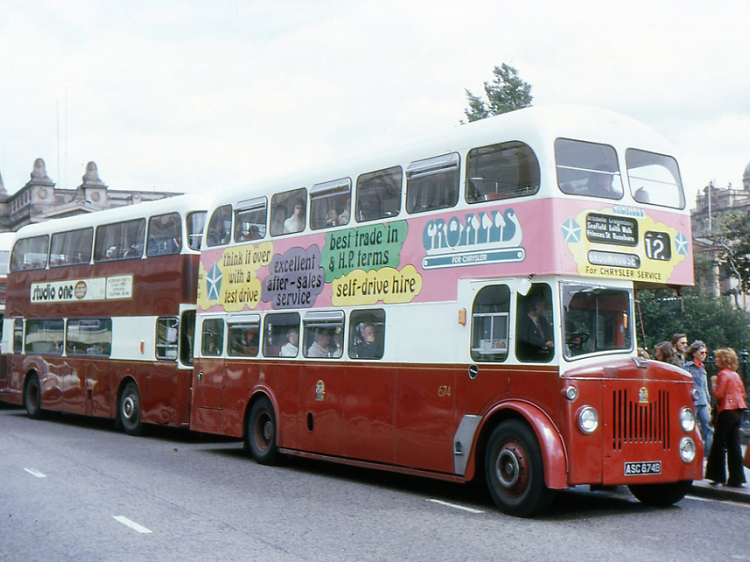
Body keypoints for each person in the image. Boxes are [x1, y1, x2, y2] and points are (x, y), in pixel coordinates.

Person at [705, 348, 747, 488]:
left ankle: (717, 476)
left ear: (723, 360)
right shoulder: (735, 375)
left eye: (718, 358)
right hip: (738, 411)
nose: (716, 360)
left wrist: (713, 383)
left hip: (726, 411)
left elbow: (719, 394)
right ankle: (736, 478)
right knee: (734, 444)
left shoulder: (722, 374)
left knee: (719, 443)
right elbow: (743, 394)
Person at [683, 341, 713, 455]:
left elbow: (705, 386)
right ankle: (689, 451)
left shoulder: (703, 368)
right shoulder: (688, 367)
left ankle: (707, 453)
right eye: (701, 352)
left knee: (709, 427)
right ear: (694, 353)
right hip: (692, 401)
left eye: (705, 353)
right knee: (689, 427)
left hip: (703, 401)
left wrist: (708, 401)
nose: (704, 355)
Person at [517, 294, 554, 359]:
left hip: (547, 354)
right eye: (540, 305)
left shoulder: (543, 320)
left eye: (543, 305)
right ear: (531, 307)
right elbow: (530, 338)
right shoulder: (522, 321)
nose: (543, 308)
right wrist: (545, 342)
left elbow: (550, 332)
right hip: (530, 356)